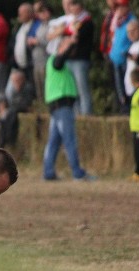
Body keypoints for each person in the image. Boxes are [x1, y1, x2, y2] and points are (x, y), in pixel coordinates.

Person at [42, 34, 94, 181]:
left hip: (58, 107)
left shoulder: (58, 63)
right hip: (62, 106)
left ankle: (48, 171)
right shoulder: (56, 61)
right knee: (69, 139)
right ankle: (77, 172)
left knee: (54, 142)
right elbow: (60, 59)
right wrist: (70, 43)